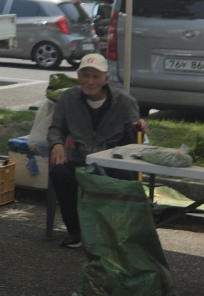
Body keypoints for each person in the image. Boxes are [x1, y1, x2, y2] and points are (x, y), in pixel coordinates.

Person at [47, 52, 144, 247]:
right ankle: (76, 231)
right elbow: (56, 127)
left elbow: (135, 142)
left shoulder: (125, 101)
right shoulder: (69, 98)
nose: (89, 81)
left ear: (105, 79)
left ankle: (115, 233)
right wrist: (57, 143)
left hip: (112, 161)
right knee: (59, 171)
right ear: (79, 77)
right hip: (81, 158)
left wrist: (138, 128)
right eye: (85, 75)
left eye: (95, 76)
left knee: (125, 177)